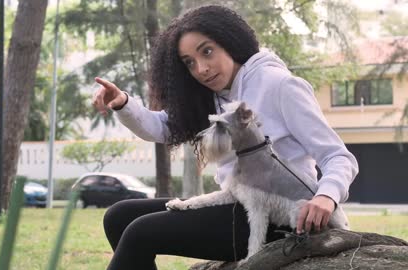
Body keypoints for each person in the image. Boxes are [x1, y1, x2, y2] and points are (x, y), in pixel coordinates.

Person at [92, 5, 358, 270]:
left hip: (281, 217)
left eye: (207, 52)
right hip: (236, 205)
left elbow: (338, 156)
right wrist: (123, 103)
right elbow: (163, 128)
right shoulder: (214, 96)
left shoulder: (280, 85)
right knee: (118, 216)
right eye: (190, 62)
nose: (201, 69)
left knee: (141, 232)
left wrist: (326, 197)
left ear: (230, 41)